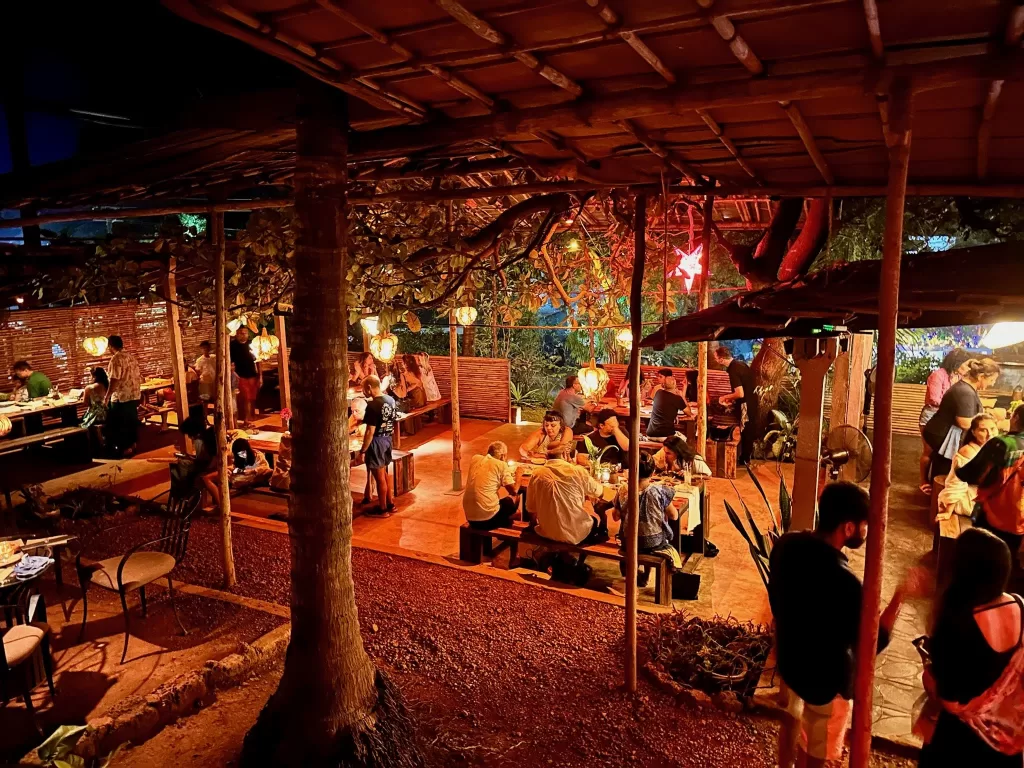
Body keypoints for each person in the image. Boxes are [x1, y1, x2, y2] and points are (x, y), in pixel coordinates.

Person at [770, 481, 924, 768]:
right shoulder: (845, 583)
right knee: (817, 740)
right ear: (848, 528)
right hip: (826, 680)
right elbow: (873, 642)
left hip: (791, 660)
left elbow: (777, 603)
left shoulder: (786, 546)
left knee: (791, 717)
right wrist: (900, 595)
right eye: (864, 525)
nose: (866, 532)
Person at [918, 528, 1024, 767]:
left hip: (958, 746)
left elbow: (951, 701)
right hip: (1008, 748)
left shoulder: (957, 623)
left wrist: (928, 676)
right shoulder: (1020, 605)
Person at [956, 404, 1024, 569]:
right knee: (1005, 564)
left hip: (996, 514)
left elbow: (970, 475)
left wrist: (957, 467)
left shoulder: (1002, 444)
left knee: (982, 560)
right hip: (1020, 520)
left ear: (1014, 418)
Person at [924, 358, 1001, 481]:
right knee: (945, 470)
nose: (992, 384)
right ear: (981, 376)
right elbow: (964, 422)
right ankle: (940, 494)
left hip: (943, 432)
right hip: (943, 435)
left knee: (943, 467)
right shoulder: (965, 392)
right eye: (992, 380)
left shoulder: (967, 388)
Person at [613, 454, 682, 584]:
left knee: (636, 532)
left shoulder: (623, 489)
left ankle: (632, 573)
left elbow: (615, 517)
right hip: (653, 542)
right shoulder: (659, 491)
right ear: (653, 471)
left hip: (628, 541)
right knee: (653, 534)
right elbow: (674, 516)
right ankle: (646, 573)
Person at [526, 449, 607, 546]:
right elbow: (599, 492)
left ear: (546, 457)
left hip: (547, 532)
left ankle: (562, 556)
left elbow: (530, 507)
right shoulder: (577, 471)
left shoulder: (537, 473)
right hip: (576, 535)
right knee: (594, 519)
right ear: (565, 454)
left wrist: (533, 524)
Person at [920, 350, 972, 492]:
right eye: (966, 364)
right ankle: (923, 481)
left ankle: (934, 481)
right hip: (931, 416)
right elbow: (933, 398)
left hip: (945, 417)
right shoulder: (938, 375)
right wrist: (953, 405)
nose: (968, 368)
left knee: (940, 452)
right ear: (957, 362)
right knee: (928, 451)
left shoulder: (958, 377)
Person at [936, 413, 997, 523]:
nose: (990, 434)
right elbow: (956, 481)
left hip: (986, 495)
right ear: (973, 432)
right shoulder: (968, 452)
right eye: (983, 430)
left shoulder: (994, 447)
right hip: (969, 498)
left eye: (992, 428)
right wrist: (948, 511)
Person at [357, 375, 398, 517]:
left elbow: (370, 431)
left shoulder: (373, 405)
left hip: (377, 442)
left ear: (369, 387)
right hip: (387, 439)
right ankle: (390, 503)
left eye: (363, 388)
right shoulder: (390, 400)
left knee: (379, 476)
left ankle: (382, 509)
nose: (363, 392)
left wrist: (363, 450)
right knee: (385, 474)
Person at [714, 345, 758, 465]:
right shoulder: (741, 364)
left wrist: (724, 397)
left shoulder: (733, 369)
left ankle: (744, 459)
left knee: (745, 429)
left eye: (716, 358)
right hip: (753, 401)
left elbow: (739, 393)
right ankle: (746, 457)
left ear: (722, 359)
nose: (716, 360)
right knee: (748, 429)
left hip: (746, 404)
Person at [463, 441, 521, 530]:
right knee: (512, 501)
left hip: (470, 516)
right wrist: (519, 474)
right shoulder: (501, 464)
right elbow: (514, 491)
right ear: (502, 456)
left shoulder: (475, 458)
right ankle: (510, 539)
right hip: (486, 519)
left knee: (504, 502)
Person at [104, 335, 142, 458]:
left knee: (120, 423)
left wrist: (107, 397)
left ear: (110, 346)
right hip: (134, 394)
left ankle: (126, 448)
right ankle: (133, 445)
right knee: (131, 421)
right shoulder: (131, 357)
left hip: (121, 397)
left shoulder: (116, 359)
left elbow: (114, 380)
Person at [230, 327, 261, 426]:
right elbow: (230, 362)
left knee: (252, 398)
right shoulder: (232, 345)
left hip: (252, 374)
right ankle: (245, 419)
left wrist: (260, 376)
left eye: (245, 333)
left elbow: (258, 360)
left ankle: (249, 417)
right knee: (244, 398)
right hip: (239, 375)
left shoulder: (252, 344)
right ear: (236, 334)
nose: (243, 335)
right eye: (240, 333)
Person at [646, 373, 687, 439]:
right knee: (685, 439)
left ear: (663, 385)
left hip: (650, 435)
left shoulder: (658, 393)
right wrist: (682, 396)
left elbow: (666, 404)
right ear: (674, 384)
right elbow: (689, 412)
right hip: (666, 436)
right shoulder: (677, 399)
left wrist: (673, 413)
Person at [194, 340, 218, 407]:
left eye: (206, 347)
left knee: (215, 398)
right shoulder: (199, 360)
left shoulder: (214, 357)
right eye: (203, 348)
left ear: (209, 348)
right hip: (205, 383)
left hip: (214, 381)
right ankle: (205, 415)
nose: (205, 349)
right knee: (205, 400)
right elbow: (198, 371)